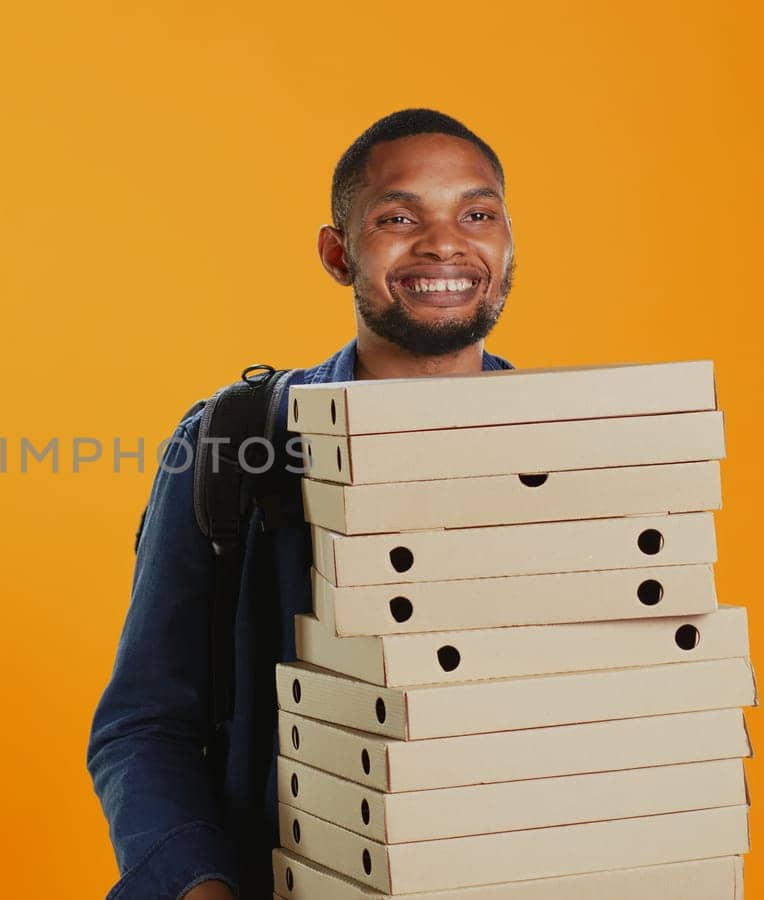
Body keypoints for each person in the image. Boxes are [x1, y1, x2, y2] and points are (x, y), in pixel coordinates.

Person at [86, 109, 518, 900]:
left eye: (477, 214)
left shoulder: (586, 445)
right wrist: (202, 889)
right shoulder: (233, 442)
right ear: (336, 252)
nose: (445, 242)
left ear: (507, 245)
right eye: (398, 216)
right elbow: (144, 725)